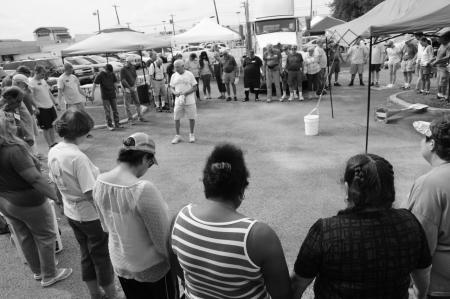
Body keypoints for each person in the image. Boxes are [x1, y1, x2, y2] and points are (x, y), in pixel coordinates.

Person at [292, 154, 432, 299]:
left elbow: (297, 284)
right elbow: (423, 275)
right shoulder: (410, 222)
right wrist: (419, 295)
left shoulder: (326, 231)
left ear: (347, 189)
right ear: (390, 190)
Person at [171, 143, 292, 299]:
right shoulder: (259, 236)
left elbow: (177, 267)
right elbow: (282, 295)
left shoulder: (179, 219)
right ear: (241, 190)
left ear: (206, 183)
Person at [93, 132, 176, 299]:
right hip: (151, 268)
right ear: (145, 158)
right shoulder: (142, 189)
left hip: (121, 264)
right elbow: (162, 239)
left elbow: (105, 227)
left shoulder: (100, 182)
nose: (148, 168)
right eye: (151, 163)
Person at [48, 108, 118, 299]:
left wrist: (61, 205)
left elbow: (54, 182)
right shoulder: (77, 157)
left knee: (86, 254)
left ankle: (94, 292)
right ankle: (111, 293)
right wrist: (106, 218)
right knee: (101, 256)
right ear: (82, 131)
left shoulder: (54, 150)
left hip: (72, 211)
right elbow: (90, 193)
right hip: (90, 215)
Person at [0, 110, 73, 287]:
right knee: (45, 236)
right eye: (8, 121)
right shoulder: (13, 150)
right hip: (27, 201)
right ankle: (49, 275)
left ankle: (38, 271)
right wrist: (57, 197)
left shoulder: (11, 148)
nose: (14, 123)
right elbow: (35, 178)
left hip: (6, 201)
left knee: (24, 236)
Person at [403, 117, 450, 298]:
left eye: (424, 138)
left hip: (439, 285)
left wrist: (415, 288)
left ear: (432, 145)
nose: (420, 142)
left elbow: (421, 242)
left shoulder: (430, 184)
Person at [28, 65, 60, 147]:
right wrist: (35, 107)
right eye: (42, 74)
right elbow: (30, 97)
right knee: (46, 128)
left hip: (50, 106)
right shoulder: (31, 82)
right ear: (36, 72)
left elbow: (49, 92)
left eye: (44, 74)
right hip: (41, 108)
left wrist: (55, 103)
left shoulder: (43, 80)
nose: (43, 76)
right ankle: (50, 145)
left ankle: (54, 142)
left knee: (53, 125)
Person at [170, 59, 198, 144]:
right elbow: (171, 87)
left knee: (191, 117)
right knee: (176, 118)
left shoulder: (189, 74)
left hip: (189, 101)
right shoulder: (174, 75)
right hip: (178, 101)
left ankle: (192, 134)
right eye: (175, 67)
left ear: (183, 66)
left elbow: (195, 87)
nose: (176, 69)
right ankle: (178, 135)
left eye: (178, 67)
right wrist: (175, 93)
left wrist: (185, 93)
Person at [92, 64, 123, 131]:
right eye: (109, 72)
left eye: (111, 72)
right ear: (106, 70)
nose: (110, 73)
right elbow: (94, 84)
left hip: (112, 94)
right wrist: (92, 94)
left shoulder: (112, 74)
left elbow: (114, 82)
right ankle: (109, 125)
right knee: (107, 111)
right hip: (105, 96)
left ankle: (117, 124)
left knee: (115, 110)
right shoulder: (100, 75)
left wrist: (117, 91)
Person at [121, 56, 146, 124]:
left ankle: (140, 117)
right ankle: (130, 119)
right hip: (127, 89)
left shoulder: (132, 67)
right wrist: (129, 87)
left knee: (137, 103)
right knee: (127, 105)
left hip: (133, 87)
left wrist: (134, 85)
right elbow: (123, 80)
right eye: (130, 63)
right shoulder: (123, 69)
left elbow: (135, 77)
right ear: (127, 62)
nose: (131, 64)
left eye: (131, 63)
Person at [431, 31, 450, 100]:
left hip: (444, 67)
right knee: (439, 81)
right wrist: (433, 59)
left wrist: (437, 61)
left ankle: (444, 95)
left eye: (439, 38)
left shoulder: (448, 45)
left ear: (444, 38)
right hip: (439, 66)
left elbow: (448, 56)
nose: (437, 39)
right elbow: (439, 55)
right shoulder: (442, 45)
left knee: (443, 81)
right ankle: (440, 94)